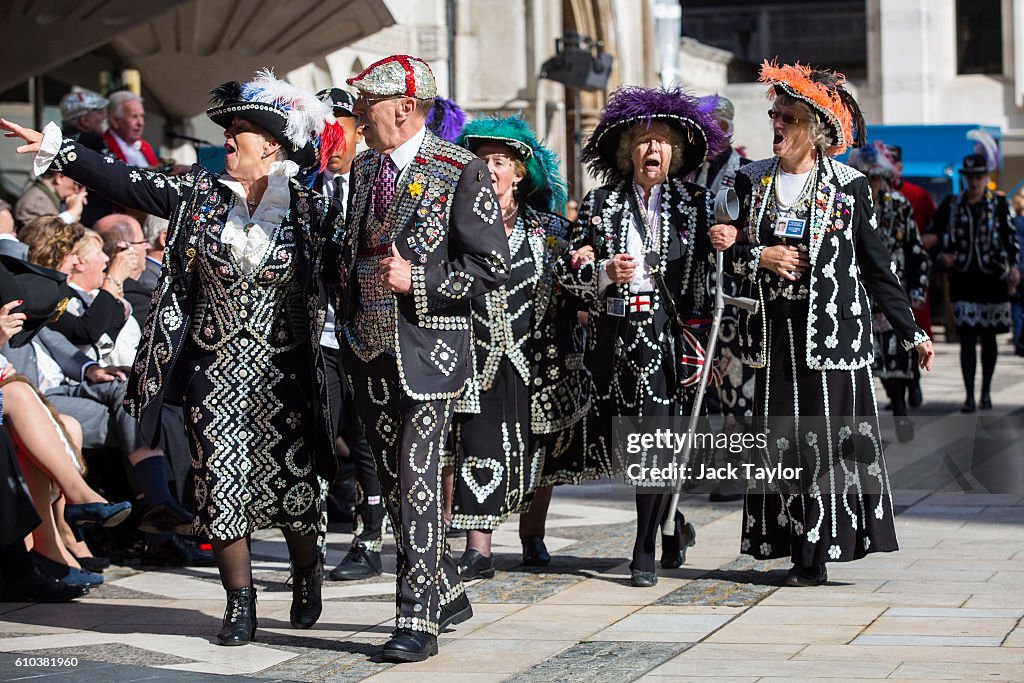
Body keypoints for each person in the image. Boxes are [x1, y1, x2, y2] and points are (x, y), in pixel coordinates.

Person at [1, 67, 346, 644]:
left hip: (287, 376)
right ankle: (240, 602)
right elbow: (127, 182)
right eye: (229, 129)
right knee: (224, 484)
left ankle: (306, 567)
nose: (228, 140)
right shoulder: (196, 195)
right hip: (215, 370)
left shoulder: (311, 207)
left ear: (272, 146)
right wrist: (59, 151)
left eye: (240, 131)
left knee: (293, 486)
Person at [725, 61, 933, 587]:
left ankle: (814, 554)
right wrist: (760, 256)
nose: (776, 122)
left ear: (815, 130)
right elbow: (726, 252)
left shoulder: (850, 186)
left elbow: (876, 264)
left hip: (831, 339)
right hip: (775, 340)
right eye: (774, 113)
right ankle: (793, 542)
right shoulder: (751, 182)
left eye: (787, 116)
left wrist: (912, 331)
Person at [338, 54, 510, 661]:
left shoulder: (458, 169)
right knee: (388, 478)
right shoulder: (362, 170)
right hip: (366, 347)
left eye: (367, 106)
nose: (359, 117)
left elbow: (492, 266)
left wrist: (423, 280)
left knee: (416, 477)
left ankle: (416, 618)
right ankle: (446, 588)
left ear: (405, 108)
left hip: (427, 351)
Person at [557, 86, 734, 588]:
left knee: (656, 440)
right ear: (627, 151)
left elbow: (720, 271)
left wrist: (728, 240)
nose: (652, 149)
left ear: (674, 154)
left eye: (661, 142)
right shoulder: (600, 203)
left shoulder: (695, 204)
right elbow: (570, 271)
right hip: (617, 339)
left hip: (671, 339)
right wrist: (601, 268)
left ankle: (643, 547)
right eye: (642, 141)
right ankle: (672, 523)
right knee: (642, 443)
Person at [449, 115, 588, 576]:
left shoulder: (550, 230)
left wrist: (587, 265)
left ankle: (533, 535)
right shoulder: (458, 229)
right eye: (481, 161)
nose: (489, 169)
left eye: (499, 161)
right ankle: (478, 549)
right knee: (478, 446)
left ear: (520, 172)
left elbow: (577, 285)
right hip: (478, 359)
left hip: (538, 358)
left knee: (538, 453)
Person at [693, 94, 754, 503]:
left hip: (735, 295)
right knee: (699, 385)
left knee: (735, 387)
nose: (715, 136)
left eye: (721, 128)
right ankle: (698, 462)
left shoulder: (748, 175)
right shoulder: (684, 174)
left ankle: (737, 469)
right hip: (695, 294)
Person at [848, 141, 930, 441]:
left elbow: (916, 250)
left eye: (876, 178)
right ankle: (865, 428)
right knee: (864, 365)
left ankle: (900, 413)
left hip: (893, 293)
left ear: (884, 177)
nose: (871, 184)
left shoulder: (899, 205)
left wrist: (918, 286)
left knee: (896, 363)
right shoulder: (851, 205)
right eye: (865, 178)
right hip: (859, 296)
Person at [932, 154, 1020, 411]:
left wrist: (1014, 267)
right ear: (965, 179)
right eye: (971, 177)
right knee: (967, 338)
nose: (975, 182)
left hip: (992, 279)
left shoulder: (999, 204)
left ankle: (986, 392)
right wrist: (941, 256)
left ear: (986, 179)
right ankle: (970, 395)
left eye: (979, 177)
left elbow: (1010, 238)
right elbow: (934, 233)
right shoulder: (952, 203)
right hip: (963, 279)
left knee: (989, 338)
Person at [14, 168, 87, 228]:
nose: (81, 192)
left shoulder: (48, 200)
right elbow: (39, 237)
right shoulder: (36, 203)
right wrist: (71, 214)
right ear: (60, 177)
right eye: (79, 186)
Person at [103, 91, 159, 168]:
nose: (141, 123)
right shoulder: (100, 146)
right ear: (115, 121)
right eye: (134, 116)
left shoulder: (145, 146)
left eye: (142, 116)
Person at [1011, 187, 1024, 356]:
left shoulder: (1014, 222)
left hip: (1017, 267)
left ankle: (1018, 340)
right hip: (1021, 267)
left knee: (1017, 306)